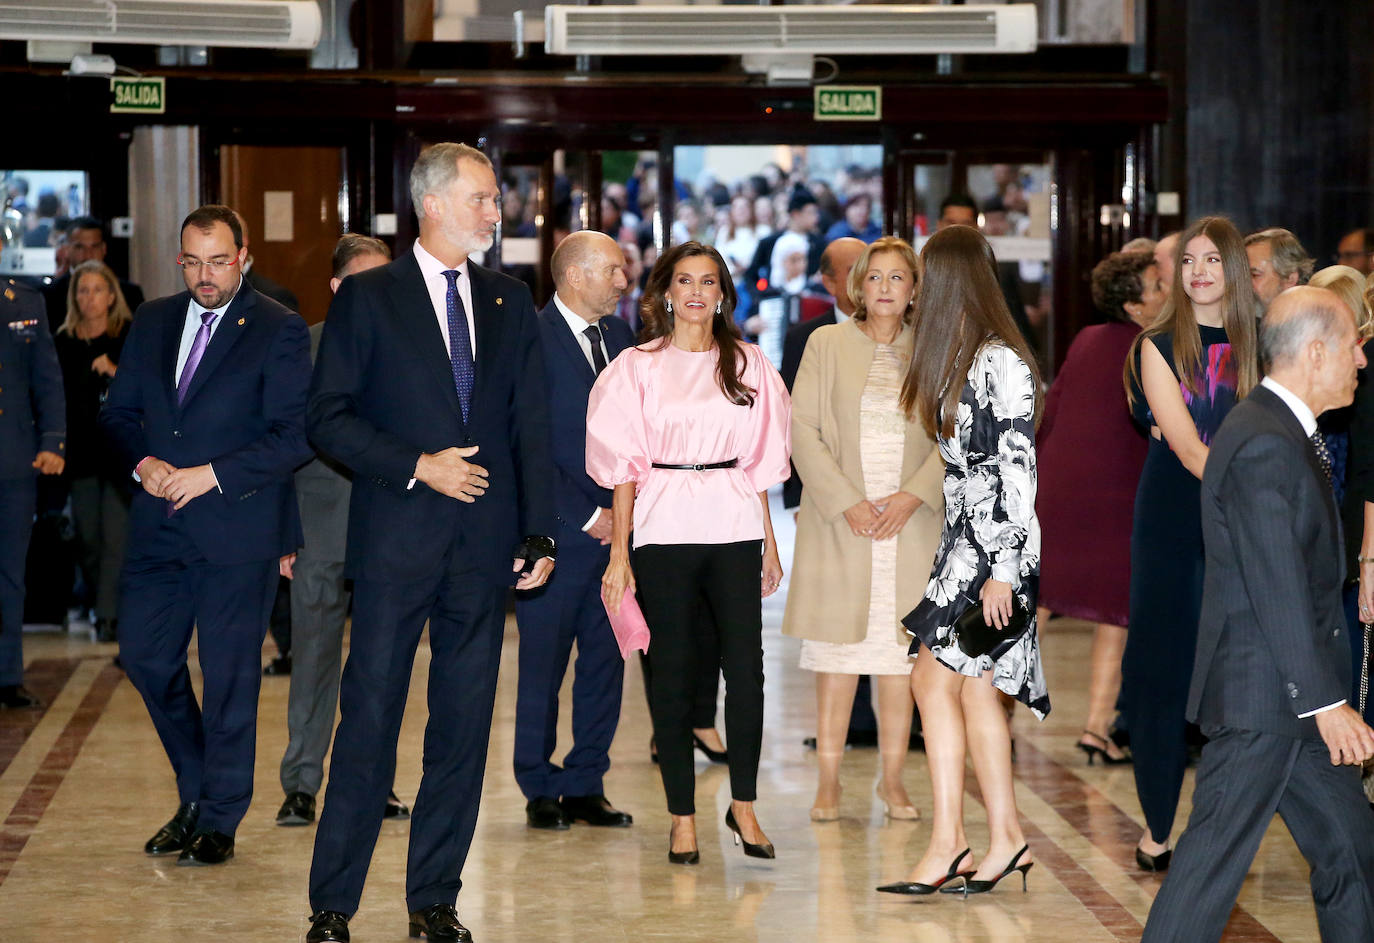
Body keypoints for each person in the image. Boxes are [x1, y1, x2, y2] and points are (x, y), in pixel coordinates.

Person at [304, 143, 556, 943]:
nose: (496, 212)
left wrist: (538, 528)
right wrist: (417, 464)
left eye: (494, 199)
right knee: (369, 717)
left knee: (462, 725)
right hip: (395, 541)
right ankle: (333, 905)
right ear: (436, 203)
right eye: (483, 198)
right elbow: (329, 416)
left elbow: (529, 422)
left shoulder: (511, 298)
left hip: (482, 551)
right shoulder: (369, 297)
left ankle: (434, 899)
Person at [1141, 286, 1374, 943]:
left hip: (1290, 698)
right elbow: (1275, 583)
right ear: (1317, 351)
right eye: (1354, 345)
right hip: (1264, 701)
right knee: (1206, 873)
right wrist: (1326, 701)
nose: (1362, 359)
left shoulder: (1279, 429)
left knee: (1353, 854)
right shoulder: (1265, 439)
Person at [99, 204, 312, 866]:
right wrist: (145, 461)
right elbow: (119, 414)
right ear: (178, 259)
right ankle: (197, 787)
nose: (205, 275)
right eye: (192, 261)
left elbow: (295, 435)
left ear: (244, 256)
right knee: (145, 656)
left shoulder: (277, 328)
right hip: (159, 529)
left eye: (218, 261)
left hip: (236, 527)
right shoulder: (155, 321)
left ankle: (220, 814)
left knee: (228, 680)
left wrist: (211, 474)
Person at [587, 241, 790, 866]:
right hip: (662, 527)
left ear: (723, 293)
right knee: (670, 675)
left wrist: (771, 543)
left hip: (732, 523)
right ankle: (682, 816)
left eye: (708, 281)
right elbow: (622, 468)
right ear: (666, 294)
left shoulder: (750, 362)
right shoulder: (636, 367)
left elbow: (759, 465)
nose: (696, 291)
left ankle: (746, 805)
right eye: (684, 281)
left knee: (747, 671)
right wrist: (619, 554)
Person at [879, 224, 1046, 898]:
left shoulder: (999, 360)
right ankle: (1004, 835)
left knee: (931, 680)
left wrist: (1005, 566)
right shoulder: (960, 354)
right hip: (966, 544)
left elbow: (1018, 466)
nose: (914, 291)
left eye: (921, 277)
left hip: (993, 550)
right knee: (974, 689)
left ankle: (951, 839)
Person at [784, 236, 944, 822]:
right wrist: (845, 501)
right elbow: (802, 429)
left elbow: (951, 435)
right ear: (858, 285)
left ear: (913, 289)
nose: (883, 288)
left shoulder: (932, 347)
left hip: (911, 524)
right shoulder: (826, 342)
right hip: (842, 523)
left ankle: (893, 780)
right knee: (837, 655)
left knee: (900, 662)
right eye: (874, 277)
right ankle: (828, 781)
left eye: (897, 278)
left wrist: (913, 496)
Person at [1120, 216, 1258, 871]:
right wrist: (1255, 485)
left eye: (1212, 259)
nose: (1200, 271)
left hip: (1248, 517)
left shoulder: (1262, 343)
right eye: (1190, 260)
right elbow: (1186, 446)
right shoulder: (1156, 344)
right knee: (1164, 670)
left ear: (1234, 269)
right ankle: (1156, 827)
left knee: (1243, 672)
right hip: (1178, 517)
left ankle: (1229, 825)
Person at [274, 234, 410, 829]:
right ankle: (301, 782)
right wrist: (282, 531)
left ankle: (370, 781)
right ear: (336, 287)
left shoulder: (411, 352)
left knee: (381, 666)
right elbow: (277, 444)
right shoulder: (302, 350)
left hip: (390, 529)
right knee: (314, 659)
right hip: (317, 527)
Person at [514, 231, 636, 831]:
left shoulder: (620, 337)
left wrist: (626, 514)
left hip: (619, 534)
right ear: (575, 275)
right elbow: (526, 446)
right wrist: (588, 517)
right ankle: (537, 784)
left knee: (605, 661)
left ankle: (587, 781)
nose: (622, 281)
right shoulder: (529, 339)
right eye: (612, 270)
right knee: (543, 664)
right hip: (557, 534)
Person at [1037, 250, 1164, 764]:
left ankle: (990, 705)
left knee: (1036, 602)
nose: (1166, 291)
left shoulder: (1086, 339)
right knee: (1117, 611)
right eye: (1157, 284)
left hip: (1064, 488)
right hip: (1121, 489)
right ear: (1134, 304)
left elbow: (1053, 408)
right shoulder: (1153, 346)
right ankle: (1095, 727)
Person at [53, 260, 133, 644]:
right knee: (88, 537)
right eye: (82, 290)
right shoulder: (63, 342)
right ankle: (102, 602)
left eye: (97, 289)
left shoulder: (128, 335)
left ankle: (109, 616)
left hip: (121, 454)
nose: (89, 298)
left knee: (116, 536)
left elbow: (146, 390)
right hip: (81, 455)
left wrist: (113, 369)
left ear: (111, 295)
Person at [0, 269, 65, 708]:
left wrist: (53, 441)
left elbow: (47, 378)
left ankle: (7, 674)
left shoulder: (24, 301)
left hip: (13, 458)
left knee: (9, 574)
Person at [780, 237, 867, 508]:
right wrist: (797, 499)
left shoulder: (903, 336)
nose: (868, 279)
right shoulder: (803, 339)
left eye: (871, 270)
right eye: (856, 271)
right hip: (822, 494)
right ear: (829, 283)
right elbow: (793, 421)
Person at [43, 217, 145, 331]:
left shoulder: (130, 294)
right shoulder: (50, 295)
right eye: (80, 247)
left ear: (104, 249)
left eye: (94, 247)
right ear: (67, 249)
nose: (88, 254)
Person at [1245, 228, 1314, 312]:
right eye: (1241, 276)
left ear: (1289, 278)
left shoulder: (1314, 322)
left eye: (1255, 275)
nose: (1244, 284)